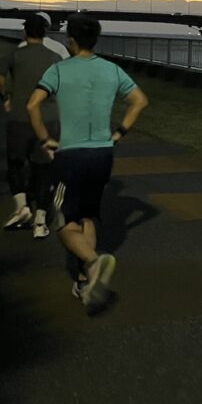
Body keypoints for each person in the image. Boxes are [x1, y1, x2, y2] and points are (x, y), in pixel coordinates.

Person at [26, 16, 148, 314]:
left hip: (70, 155)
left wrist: (45, 139)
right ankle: (83, 281)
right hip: (102, 154)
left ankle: (94, 263)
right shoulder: (111, 69)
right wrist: (118, 134)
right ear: (95, 39)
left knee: (65, 222)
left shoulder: (59, 69)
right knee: (90, 216)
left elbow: (32, 105)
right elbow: (140, 101)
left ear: (70, 40)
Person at [0, 13, 63, 237]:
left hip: (20, 118)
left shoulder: (15, 54)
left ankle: (22, 207)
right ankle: (41, 221)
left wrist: (5, 96)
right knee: (44, 169)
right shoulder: (55, 57)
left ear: (25, 32)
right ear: (45, 32)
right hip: (48, 118)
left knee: (15, 163)